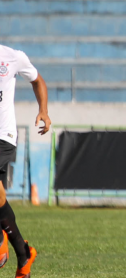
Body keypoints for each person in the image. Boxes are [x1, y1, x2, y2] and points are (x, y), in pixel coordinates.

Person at [0, 44, 51, 277]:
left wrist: (43, 110)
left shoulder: (12, 57)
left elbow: (38, 80)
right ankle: (23, 253)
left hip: (3, 136)